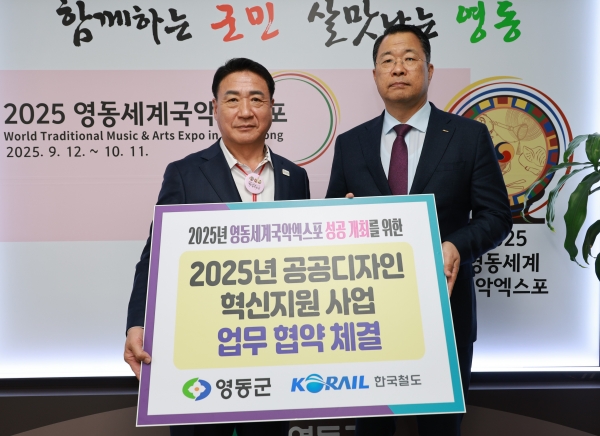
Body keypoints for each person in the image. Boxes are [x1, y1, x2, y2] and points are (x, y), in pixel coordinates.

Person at [325, 24, 512, 436]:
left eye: (409, 59)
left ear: (429, 70)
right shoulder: (351, 143)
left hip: (444, 310)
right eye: (387, 61)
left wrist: (456, 245)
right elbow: (332, 219)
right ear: (375, 74)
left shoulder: (468, 137)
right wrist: (342, 221)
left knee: (440, 428)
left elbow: (497, 216)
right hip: (367, 315)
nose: (398, 68)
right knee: (371, 429)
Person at [124, 58, 310, 436]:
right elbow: (155, 254)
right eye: (232, 100)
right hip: (202, 343)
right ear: (215, 107)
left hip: (272, 347)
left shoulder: (295, 176)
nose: (245, 111)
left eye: (256, 99)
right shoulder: (185, 173)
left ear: (271, 107)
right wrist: (138, 322)